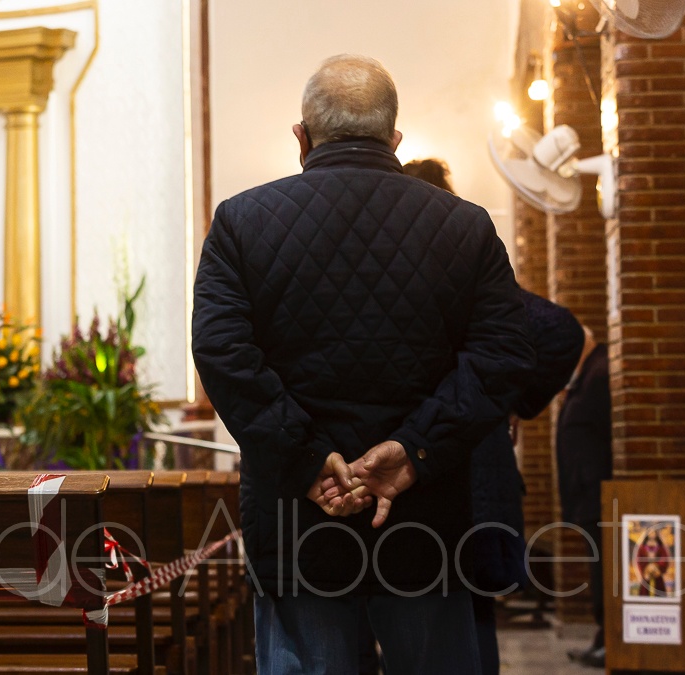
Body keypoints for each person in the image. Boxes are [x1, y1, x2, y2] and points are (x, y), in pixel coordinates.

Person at [192, 54, 534, 674]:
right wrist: (413, 452)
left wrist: (305, 459)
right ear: (395, 139)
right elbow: (504, 355)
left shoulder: (241, 224)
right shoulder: (465, 226)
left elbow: (223, 354)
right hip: (422, 518)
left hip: (297, 517)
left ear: (301, 136)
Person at [401, 158, 585, 675]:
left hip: (431, 467)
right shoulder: (468, 268)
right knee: (472, 615)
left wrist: (510, 398)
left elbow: (559, 331)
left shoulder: (418, 274)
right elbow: (559, 331)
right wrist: (506, 399)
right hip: (475, 459)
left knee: (424, 614)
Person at [556, 326, 612, 668]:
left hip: (600, 496)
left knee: (606, 570)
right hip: (588, 496)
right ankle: (603, 638)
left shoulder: (599, 373)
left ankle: (609, 640)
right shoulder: (585, 376)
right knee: (600, 568)